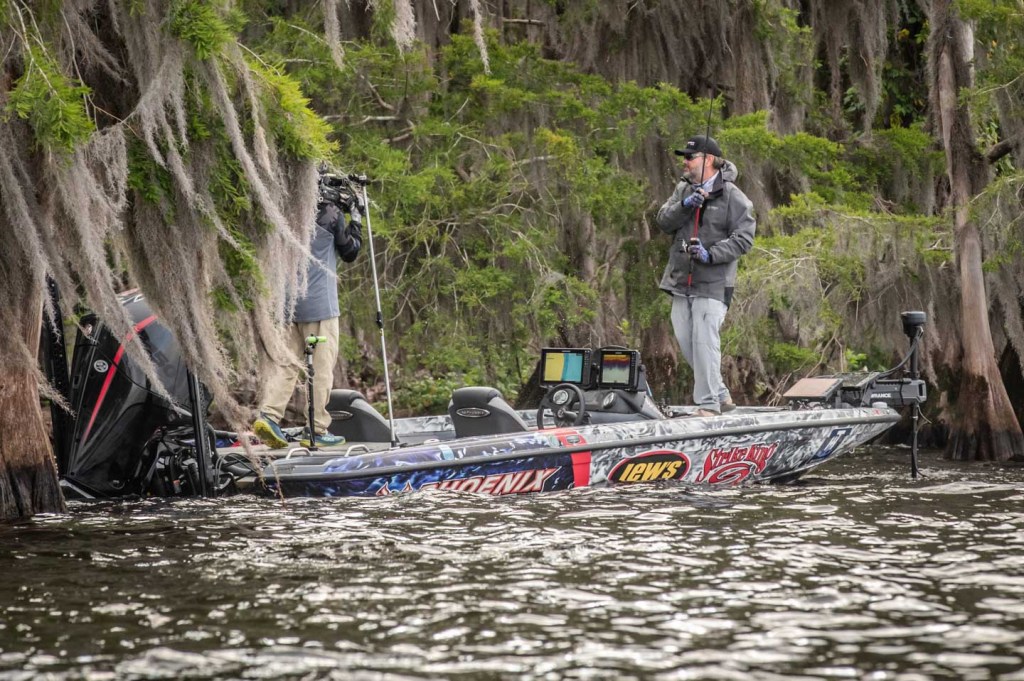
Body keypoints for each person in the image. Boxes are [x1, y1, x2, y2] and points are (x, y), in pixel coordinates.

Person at [253, 170, 363, 448]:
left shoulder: (286, 212)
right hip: (320, 309)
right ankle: (317, 429)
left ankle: (269, 416)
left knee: (288, 363)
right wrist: (356, 218)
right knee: (321, 368)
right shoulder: (330, 213)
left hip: (289, 307)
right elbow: (350, 251)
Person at [656, 135, 755, 416]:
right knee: (688, 343)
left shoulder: (734, 196)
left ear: (708, 159)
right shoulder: (682, 189)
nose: (684, 162)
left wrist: (710, 254)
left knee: (704, 343)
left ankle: (709, 405)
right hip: (680, 281)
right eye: (684, 157)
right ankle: (720, 394)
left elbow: (744, 239)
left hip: (713, 284)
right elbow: (663, 221)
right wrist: (686, 205)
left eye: (690, 157)